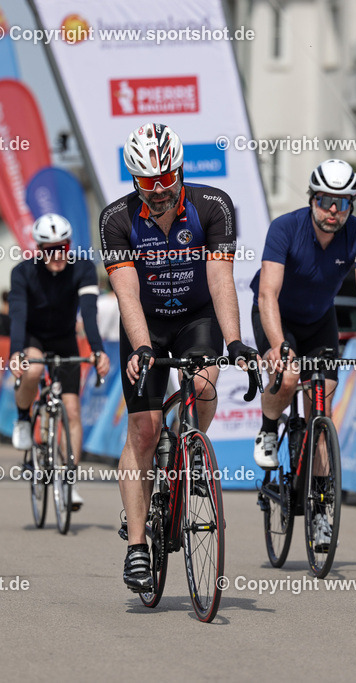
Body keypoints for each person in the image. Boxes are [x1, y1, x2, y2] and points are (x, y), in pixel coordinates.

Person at [100, 122, 258, 592]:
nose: (159, 191)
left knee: (204, 385)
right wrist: (142, 347)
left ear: (181, 171)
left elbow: (221, 280)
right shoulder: (117, 219)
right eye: (148, 182)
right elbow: (127, 294)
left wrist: (235, 342)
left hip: (196, 317)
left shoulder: (213, 206)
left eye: (166, 179)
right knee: (144, 431)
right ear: (135, 180)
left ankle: (189, 444)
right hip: (145, 324)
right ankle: (136, 546)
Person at [250, 159, 356, 545]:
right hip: (276, 315)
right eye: (326, 201)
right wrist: (278, 346)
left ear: (351, 206)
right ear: (312, 199)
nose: (333, 211)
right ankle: (268, 429)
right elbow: (267, 294)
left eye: (342, 204)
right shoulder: (285, 228)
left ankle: (320, 511)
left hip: (318, 320)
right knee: (288, 376)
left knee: (321, 410)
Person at [8, 213, 110, 511]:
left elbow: (89, 313)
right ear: (39, 249)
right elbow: (17, 316)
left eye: (62, 248)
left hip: (65, 338)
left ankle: (70, 480)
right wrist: (16, 351)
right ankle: (23, 417)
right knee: (33, 370)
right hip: (34, 337)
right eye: (50, 250)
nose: (57, 256)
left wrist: (98, 350)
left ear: (69, 245)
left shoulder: (83, 268)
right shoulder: (23, 272)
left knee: (72, 410)